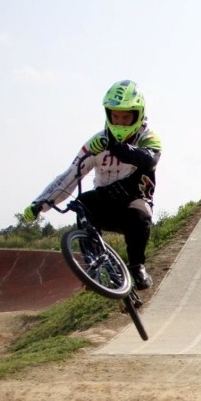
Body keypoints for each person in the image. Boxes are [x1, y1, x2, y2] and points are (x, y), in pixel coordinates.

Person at [23, 80, 162, 289]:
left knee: (141, 214)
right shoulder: (96, 143)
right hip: (104, 202)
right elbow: (70, 175)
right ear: (107, 114)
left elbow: (149, 160)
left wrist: (116, 147)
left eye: (126, 117)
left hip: (133, 204)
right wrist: (40, 204)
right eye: (115, 116)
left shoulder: (148, 138)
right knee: (82, 203)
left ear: (138, 114)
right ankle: (94, 265)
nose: (120, 121)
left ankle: (137, 267)